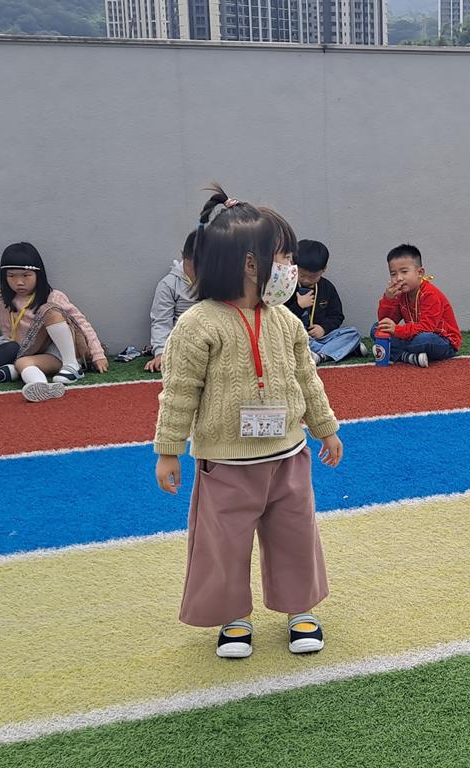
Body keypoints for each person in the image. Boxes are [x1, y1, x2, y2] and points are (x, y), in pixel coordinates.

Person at [153, 185, 342, 659]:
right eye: (285, 257)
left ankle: (300, 608)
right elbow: (178, 392)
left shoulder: (286, 321)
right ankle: (233, 616)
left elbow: (307, 378)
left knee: (295, 535)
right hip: (226, 464)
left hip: (288, 456)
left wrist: (325, 427)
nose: (291, 268)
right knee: (223, 544)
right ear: (251, 264)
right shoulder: (197, 324)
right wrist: (168, 450)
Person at [0, 242, 108, 402]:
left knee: (49, 310)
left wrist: (98, 354)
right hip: (23, 351)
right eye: (11, 276)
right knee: (22, 362)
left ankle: (72, 366)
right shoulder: (1, 297)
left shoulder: (53, 296)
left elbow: (81, 322)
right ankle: (40, 385)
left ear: (38, 274)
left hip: (55, 352)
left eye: (26, 276)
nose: (19, 282)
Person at [372, 244, 462, 367]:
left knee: (423, 340)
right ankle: (409, 357)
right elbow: (386, 320)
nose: (398, 278)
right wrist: (388, 299)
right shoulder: (400, 294)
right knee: (377, 328)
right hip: (413, 335)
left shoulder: (430, 294)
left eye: (404, 272)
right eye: (393, 274)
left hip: (442, 340)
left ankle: (396, 352)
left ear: (420, 273)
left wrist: (397, 330)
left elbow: (427, 328)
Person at [284, 239, 367, 365]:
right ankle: (343, 349)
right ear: (293, 265)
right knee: (286, 340)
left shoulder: (327, 288)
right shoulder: (285, 286)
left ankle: (320, 356)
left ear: (324, 269)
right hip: (296, 336)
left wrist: (323, 328)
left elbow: (337, 316)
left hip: (321, 338)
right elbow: (279, 317)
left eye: (312, 277)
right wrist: (299, 306)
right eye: (302, 275)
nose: (306, 280)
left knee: (352, 333)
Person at [146, 230, 198, 373]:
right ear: (182, 255)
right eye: (191, 267)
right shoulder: (169, 284)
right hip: (183, 346)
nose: (196, 273)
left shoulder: (219, 281)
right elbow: (161, 322)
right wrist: (160, 353)